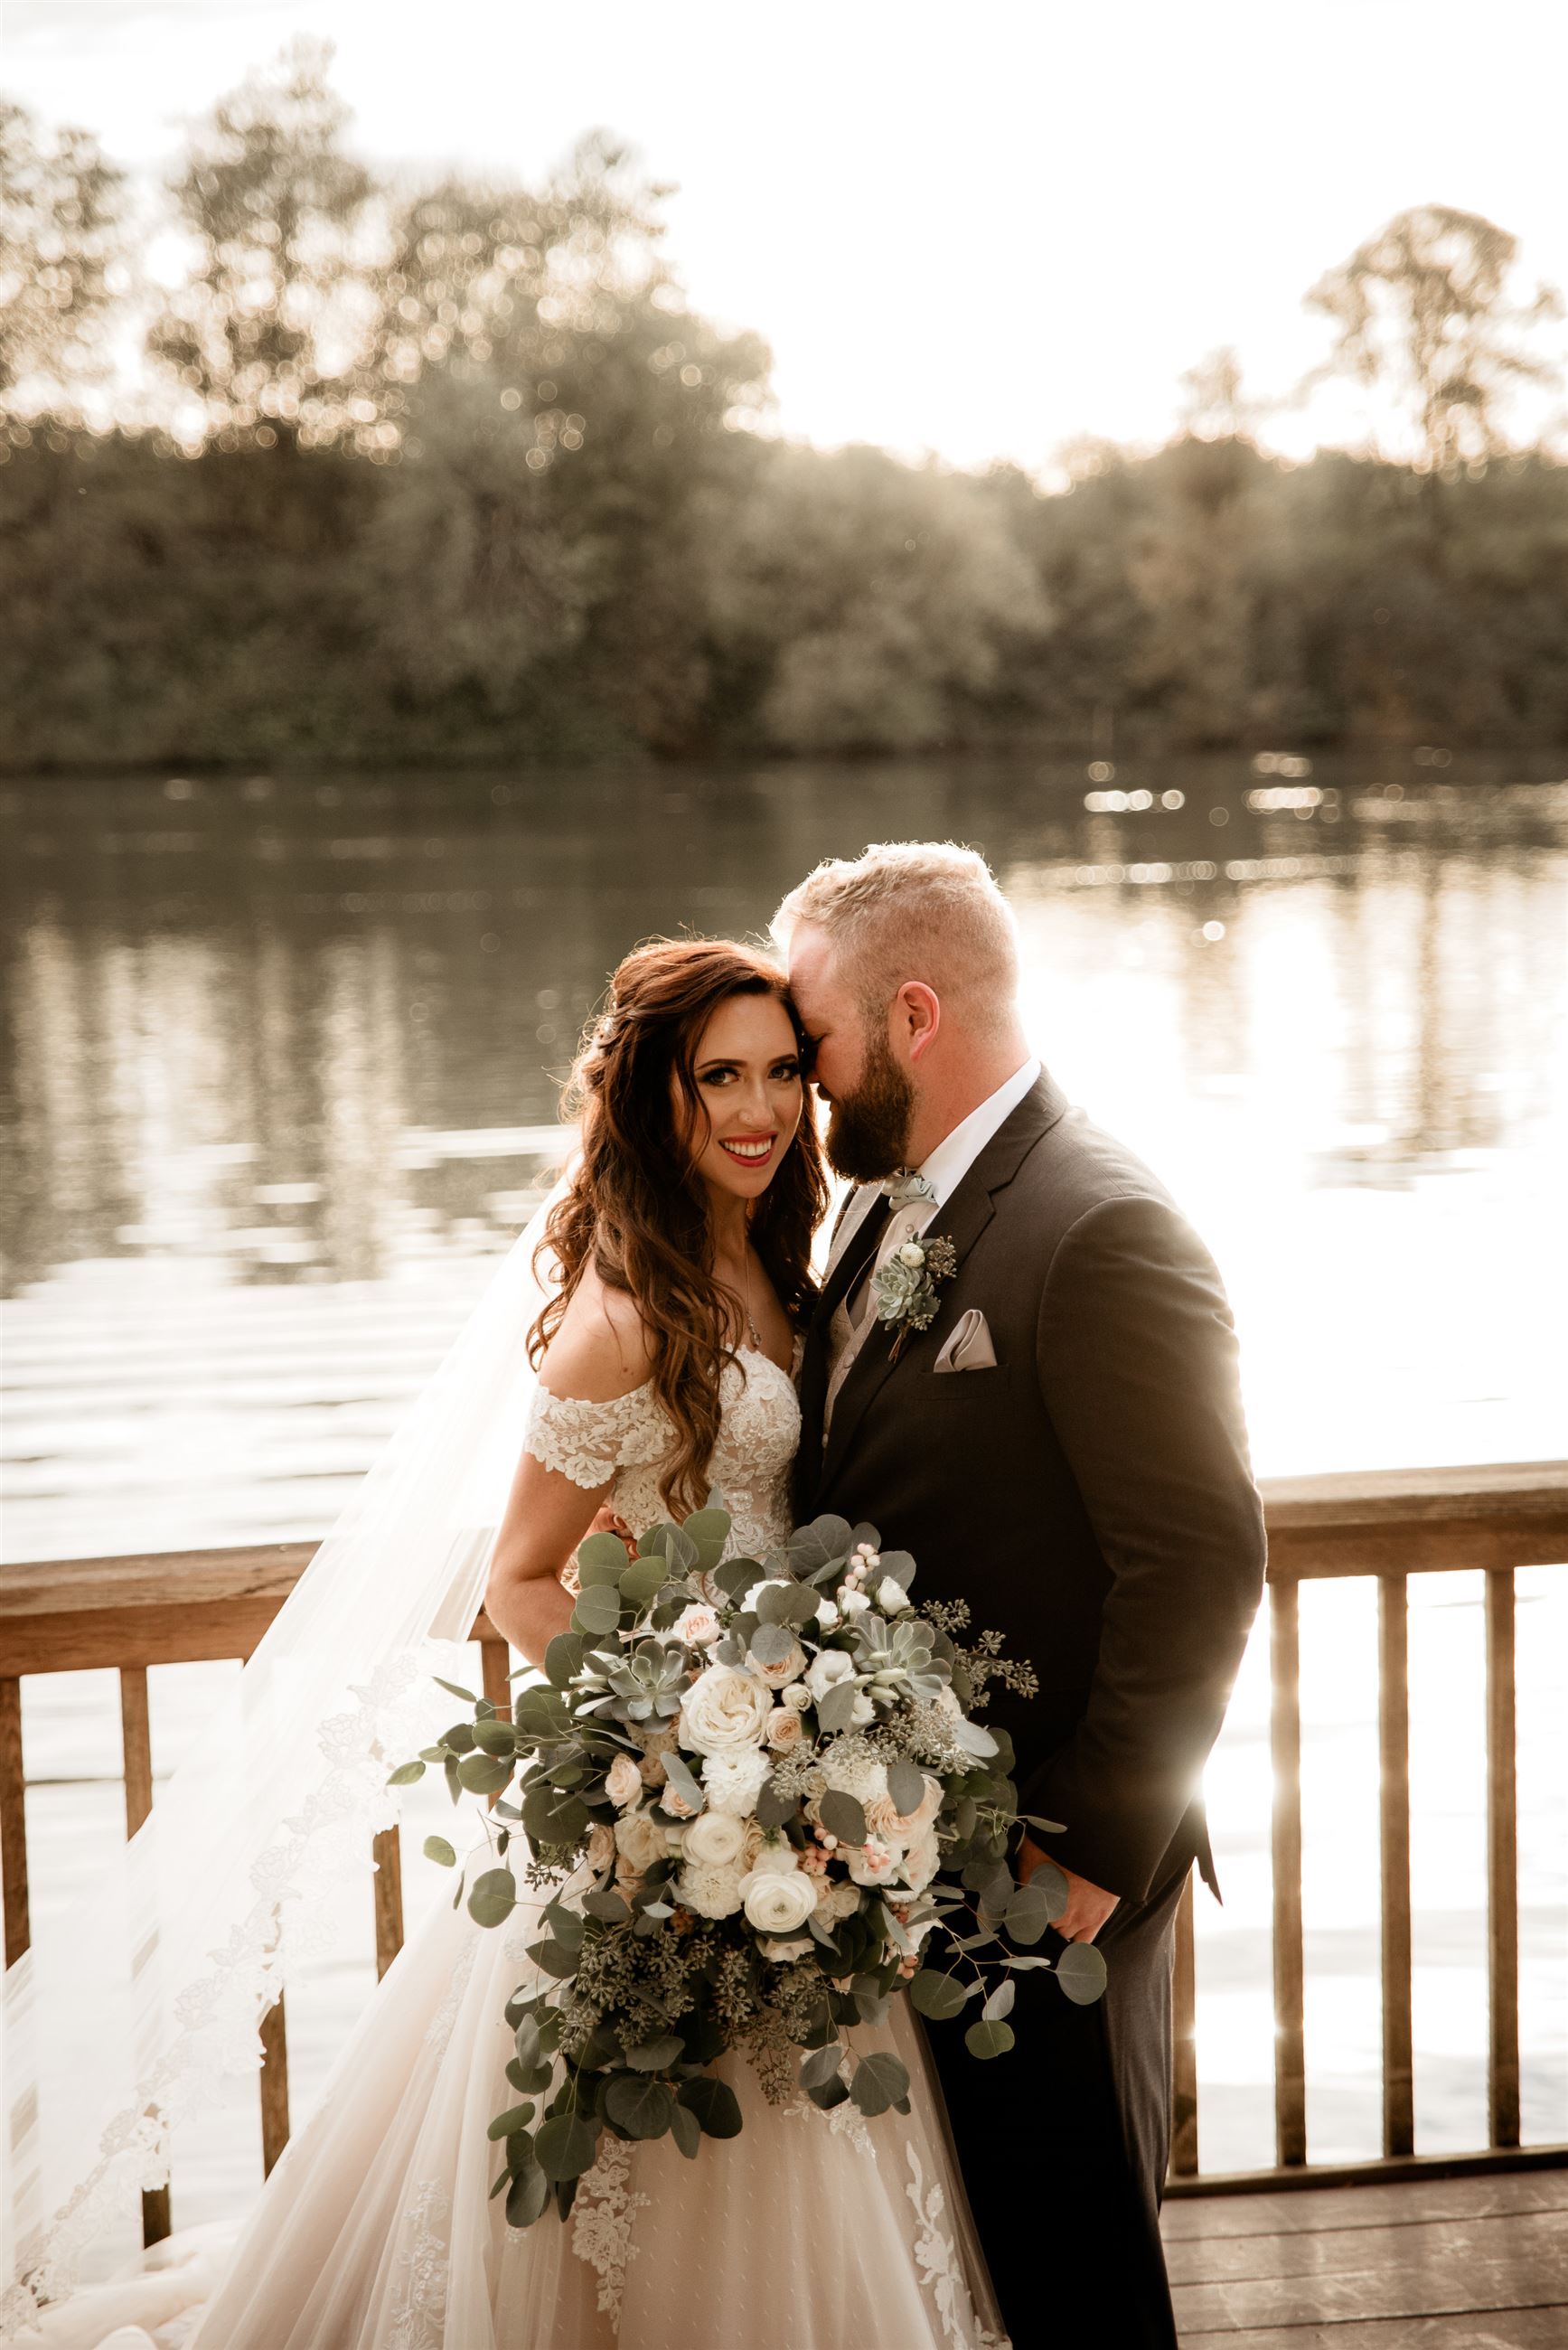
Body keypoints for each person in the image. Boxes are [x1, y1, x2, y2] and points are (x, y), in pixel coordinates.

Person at [7, 938, 1006, 2350]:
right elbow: (523, 1581)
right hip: (671, 1814)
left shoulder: (788, 1257)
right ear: (653, 1093)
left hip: (792, 1788)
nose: (761, 1108)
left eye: (784, 1071)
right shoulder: (616, 1321)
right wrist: (672, 1751)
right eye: (720, 1075)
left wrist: (798, 1734)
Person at [778, 842, 1268, 2350]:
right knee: (963, 2265)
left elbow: (1198, 1566)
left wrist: (1078, 1866)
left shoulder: (1100, 1223)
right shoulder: (877, 1208)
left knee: (1078, 2281)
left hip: (1050, 1883)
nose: (801, 1082)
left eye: (815, 1045)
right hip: (903, 1871)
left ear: (912, 1016)